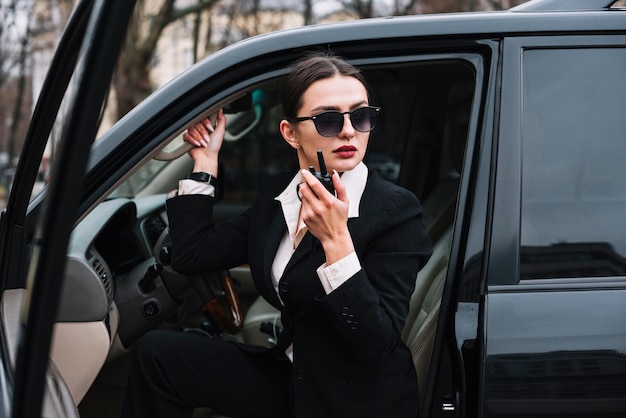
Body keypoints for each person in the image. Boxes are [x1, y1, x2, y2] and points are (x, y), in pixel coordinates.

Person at [121, 52, 432, 418]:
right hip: (293, 376)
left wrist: (337, 243)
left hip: (352, 401)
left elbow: (376, 344)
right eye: (328, 119)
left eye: (361, 116)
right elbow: (193, 254)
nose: (349, 130)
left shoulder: (395, 210)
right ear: (290, 133)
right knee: (157, 355)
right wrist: (205, 163)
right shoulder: (280, 197)